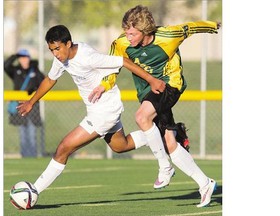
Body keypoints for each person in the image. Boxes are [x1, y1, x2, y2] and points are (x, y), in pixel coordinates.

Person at [17, 25, 170, 200]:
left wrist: (151, 80)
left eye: (57, 49)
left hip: (105, 111)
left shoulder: (88, 57)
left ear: (68, 44)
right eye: (51, 50)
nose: (55, 54)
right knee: (120, 146)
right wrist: (31, 102)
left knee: (63, 148)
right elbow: (50, 79)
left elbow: (123, 61)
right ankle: (164, 134)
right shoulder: (61, 59)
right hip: (99, 109)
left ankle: (33, 191)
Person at [89, 5, 221, 207]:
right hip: (146, 93)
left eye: (132, 33)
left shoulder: (168, 36)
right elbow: (113, 65)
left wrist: (214, 25)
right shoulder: (121, 43)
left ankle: (164, 167)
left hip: (170, 85)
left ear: (145, 30)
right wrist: (103, 85)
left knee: (142, 117)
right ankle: (205, 184)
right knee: (170, 142)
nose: (128, 36)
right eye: (126, 32)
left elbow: (190, 27)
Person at [4, 49, 45, 157]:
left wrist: (34, 89)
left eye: (25, 57)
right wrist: (15, 55)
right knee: (22, 134)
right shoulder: (16, 70)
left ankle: (32, 156)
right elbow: (5, 65)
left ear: (29, 58)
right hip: (20, 106)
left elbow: (43, 82)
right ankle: (24, 156)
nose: (24, 60)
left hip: (32, 106)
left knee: (32, 133)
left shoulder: (34, 70)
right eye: (21, 57)